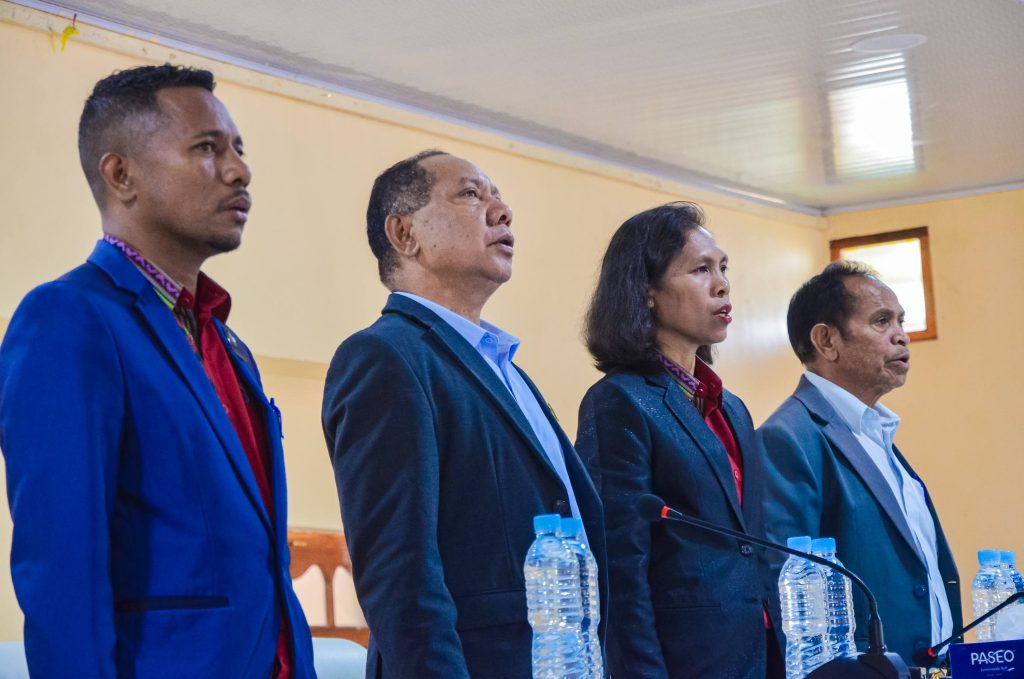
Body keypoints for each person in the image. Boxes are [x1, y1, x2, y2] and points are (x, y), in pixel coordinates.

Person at [0, 64, 314, 677]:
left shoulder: (224, 341)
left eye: (239, 149)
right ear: (122, 175)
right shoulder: (69, 318)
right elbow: (62, 569)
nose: (239, 170)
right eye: (207, 148)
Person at [322, 149, 607, 679]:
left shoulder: (507, 370)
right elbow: (399, 573)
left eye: (499, 197)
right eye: (472, 194)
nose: (502, 212)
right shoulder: (386, 357)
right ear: (404, 234)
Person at [575, 202, 783, 679]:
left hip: (762, 653)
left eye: (723, 268)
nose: (722, 285)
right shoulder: (618, 401)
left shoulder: (732, 408)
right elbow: (621, 570)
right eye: (700, 270)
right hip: (686, 661)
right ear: (647, 292)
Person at [758, 260, 962, 665]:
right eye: (882, 321)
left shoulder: (876, 432)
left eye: (901, 321)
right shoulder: (789, 438)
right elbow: (791, 593)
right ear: (826, 341)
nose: (901, 336)